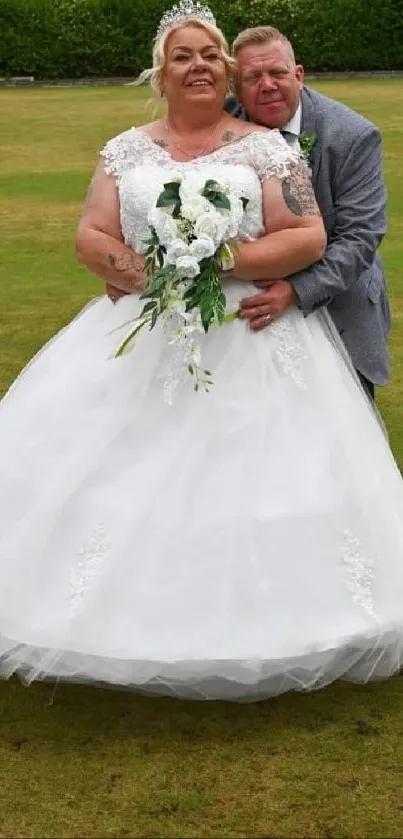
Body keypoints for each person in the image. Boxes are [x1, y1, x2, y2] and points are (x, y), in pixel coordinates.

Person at [1, 2, 403, 703]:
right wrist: (146, 274)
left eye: (207, 55)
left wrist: (210, 260)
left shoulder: (267, 148)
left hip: (251, 331)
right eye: (181, 55)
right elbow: (91, 235)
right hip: (146, 332)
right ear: (160, 72)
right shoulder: (122, 149)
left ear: (223, 72)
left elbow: (306, 235)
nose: (195, 66)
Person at [225, 25, 390, 401]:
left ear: (298, 75)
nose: (267, 85)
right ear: (235, 87)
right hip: (247, 311)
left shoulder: (352, 137)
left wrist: (296, 291)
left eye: (278, 73)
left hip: (337, 304)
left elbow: (360, 237)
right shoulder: (221, 124)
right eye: (253, 77)